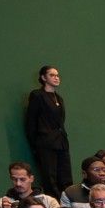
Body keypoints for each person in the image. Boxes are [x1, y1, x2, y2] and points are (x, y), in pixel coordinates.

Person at [25, 65, 69, 196]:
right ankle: (54, 204)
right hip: (46, 142)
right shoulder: (37, 95)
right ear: (43, 77)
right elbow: (31, 121)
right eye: (52, 75)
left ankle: (66, 202)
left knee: (65, 174)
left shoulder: (59, 98)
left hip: (61, 141)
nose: (56, 78)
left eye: (57, 75)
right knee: (50, 176)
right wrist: (35, 143)